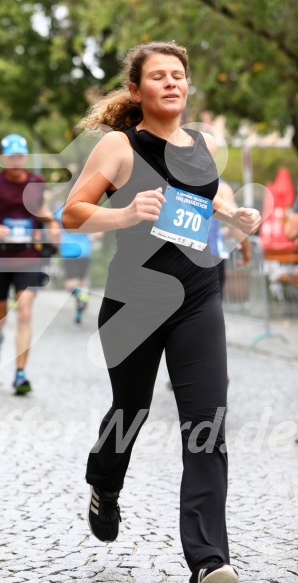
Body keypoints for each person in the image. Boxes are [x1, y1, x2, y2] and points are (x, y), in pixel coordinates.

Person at [62, 41, 261, 583]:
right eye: (158, 76)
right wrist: (124, 213)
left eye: (179, 75)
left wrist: (236, 214)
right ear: (136, 90)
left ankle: (209, 560)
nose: (172, 83)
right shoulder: (119, 149)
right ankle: (105, 482)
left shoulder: (201, 144)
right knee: (130, 410)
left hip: (198, 296)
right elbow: (72, 215)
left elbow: (206, 193)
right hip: (135, 301)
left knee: (207, 424)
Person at [0, 133, 59, 395]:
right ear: (2, 158)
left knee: (24, 312)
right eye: (12, 158)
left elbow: (39, 208)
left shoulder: (36, 182)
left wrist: (52, 223)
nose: (17, 162)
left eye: (21, 157)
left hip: (28, 256)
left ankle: (20, 373)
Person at [54, 205, 101, 325]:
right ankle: (78, 315)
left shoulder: (61, 212)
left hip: (69, 251)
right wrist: (89, 238)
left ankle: (80, 296)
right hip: (85, 251)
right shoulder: (87, 211)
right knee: (81, 283)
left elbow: (54, 232)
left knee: (70, 286)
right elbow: (99, 234)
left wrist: (56, 243)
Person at [209, 180, 251, 297]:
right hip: (210, 256)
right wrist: (246, 249)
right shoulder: (220, 186)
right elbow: (234, 224)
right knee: (207, 309)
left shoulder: (174, 177)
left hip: (177, 254)